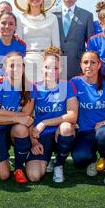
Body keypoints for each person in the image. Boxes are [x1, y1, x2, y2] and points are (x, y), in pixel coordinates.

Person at [27, 47, 77, 183]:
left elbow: (72, 116)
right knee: (34, 176)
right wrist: (33, 140)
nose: (51, 71)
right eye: (47, 67)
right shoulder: (34, 87)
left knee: (66, 127)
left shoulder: (68, 86)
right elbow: (27, 117)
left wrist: (45, 123)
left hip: (59, 133)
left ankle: (59, 165)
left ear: (61, 69)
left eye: (56, 68)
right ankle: (46, 158)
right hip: (40, 135)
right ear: (42, 68)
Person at [0, 52, 34, 183]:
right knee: (3, 175)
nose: (15, 69)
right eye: (12, 65)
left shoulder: (29, 87)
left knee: (22, 129)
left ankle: (18, 168)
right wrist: (17, 118)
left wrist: (1, 111)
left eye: (19, 65)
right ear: (5, 68)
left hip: (11, 129)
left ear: (23, 67)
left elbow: (26, 116)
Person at [70, 51, 105, 185]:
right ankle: (92, 160)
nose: (89, 66)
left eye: (93, 62)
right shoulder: (75, 82)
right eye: (85, 62)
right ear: (80, 65)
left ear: (99, 65)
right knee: (79, 158)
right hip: (85, 131)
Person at [15, 0, 59, 83]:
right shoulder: (20, 18)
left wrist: (55, 63)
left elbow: (56, 45)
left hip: (47, 62)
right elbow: (19, 44)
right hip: (26, 61)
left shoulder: (52, 18)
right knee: (29, 95)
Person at [53, 0, 94, 80]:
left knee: (75, 94)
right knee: (59, 93)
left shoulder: (87, 15)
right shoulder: (51, 14)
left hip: (77, 65)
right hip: (55, 64)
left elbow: (90, 42)